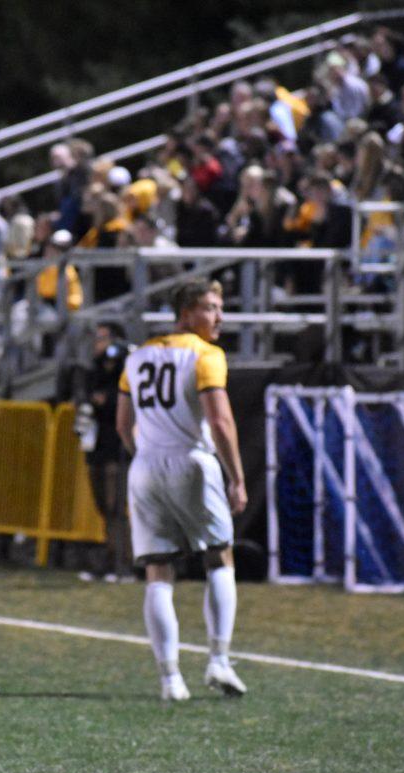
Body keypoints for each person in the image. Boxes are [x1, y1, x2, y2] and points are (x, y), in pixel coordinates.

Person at [116, 280, 248, 702]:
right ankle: (219, 661)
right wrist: (237, 477)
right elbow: (221, 422)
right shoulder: (206, 354)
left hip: (145, 466)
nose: (219, 317)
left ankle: (170, 679)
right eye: (211, 308)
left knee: (158, 571)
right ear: (187, 313)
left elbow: (123, 423)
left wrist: (146, 455)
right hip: (191, 462)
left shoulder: (137, 355)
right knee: (219, 556)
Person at [76, 323, 133, 584]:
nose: (97, 344)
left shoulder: (124, 364)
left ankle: (122, 562)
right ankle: (110, 557)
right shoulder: (94, 369)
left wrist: (106, 400)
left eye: (102, 339)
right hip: (97, 444)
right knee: (102, 505)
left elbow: (125, 400)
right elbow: (83, 394)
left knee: (115, 505)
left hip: (116, 444)